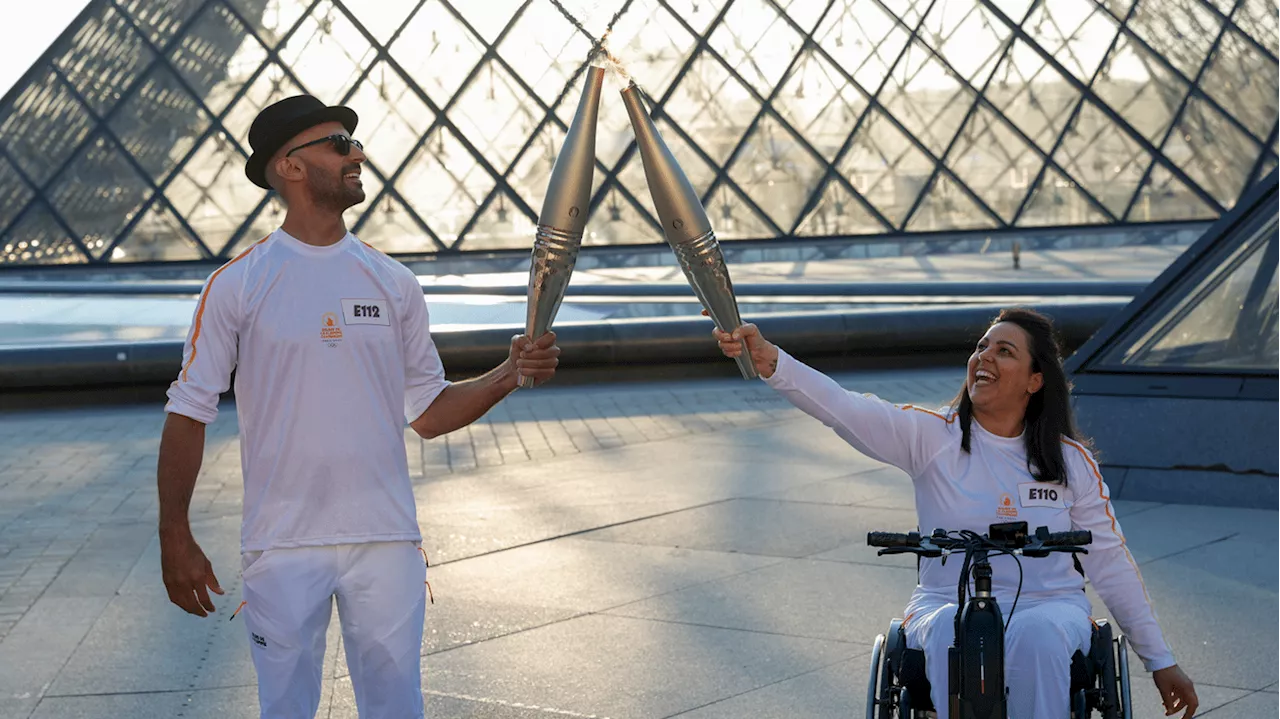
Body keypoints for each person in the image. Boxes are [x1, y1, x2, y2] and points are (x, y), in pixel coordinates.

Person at [156, 94, 561, 719]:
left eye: (355, 141)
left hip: (388, 539)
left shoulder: (393, 281)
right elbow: (188, 410)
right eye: (339, 144)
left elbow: (427, 411)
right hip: (282, 544)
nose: (358, 153)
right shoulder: (238, 284)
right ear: (289, 167)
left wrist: (508, 374)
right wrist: (174, 533)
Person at [711, 307, 1198, 719]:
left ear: (1035, 379)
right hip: (944, 598)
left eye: (1004, 351)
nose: (984, 356)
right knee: (951, 629)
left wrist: (1160, 660)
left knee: (1039, 635)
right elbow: (843, 408)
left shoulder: (1071, 461)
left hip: (1049, 603)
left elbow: (1110, 564)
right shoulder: (931, 437)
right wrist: (771, 361)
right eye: (982, 347)